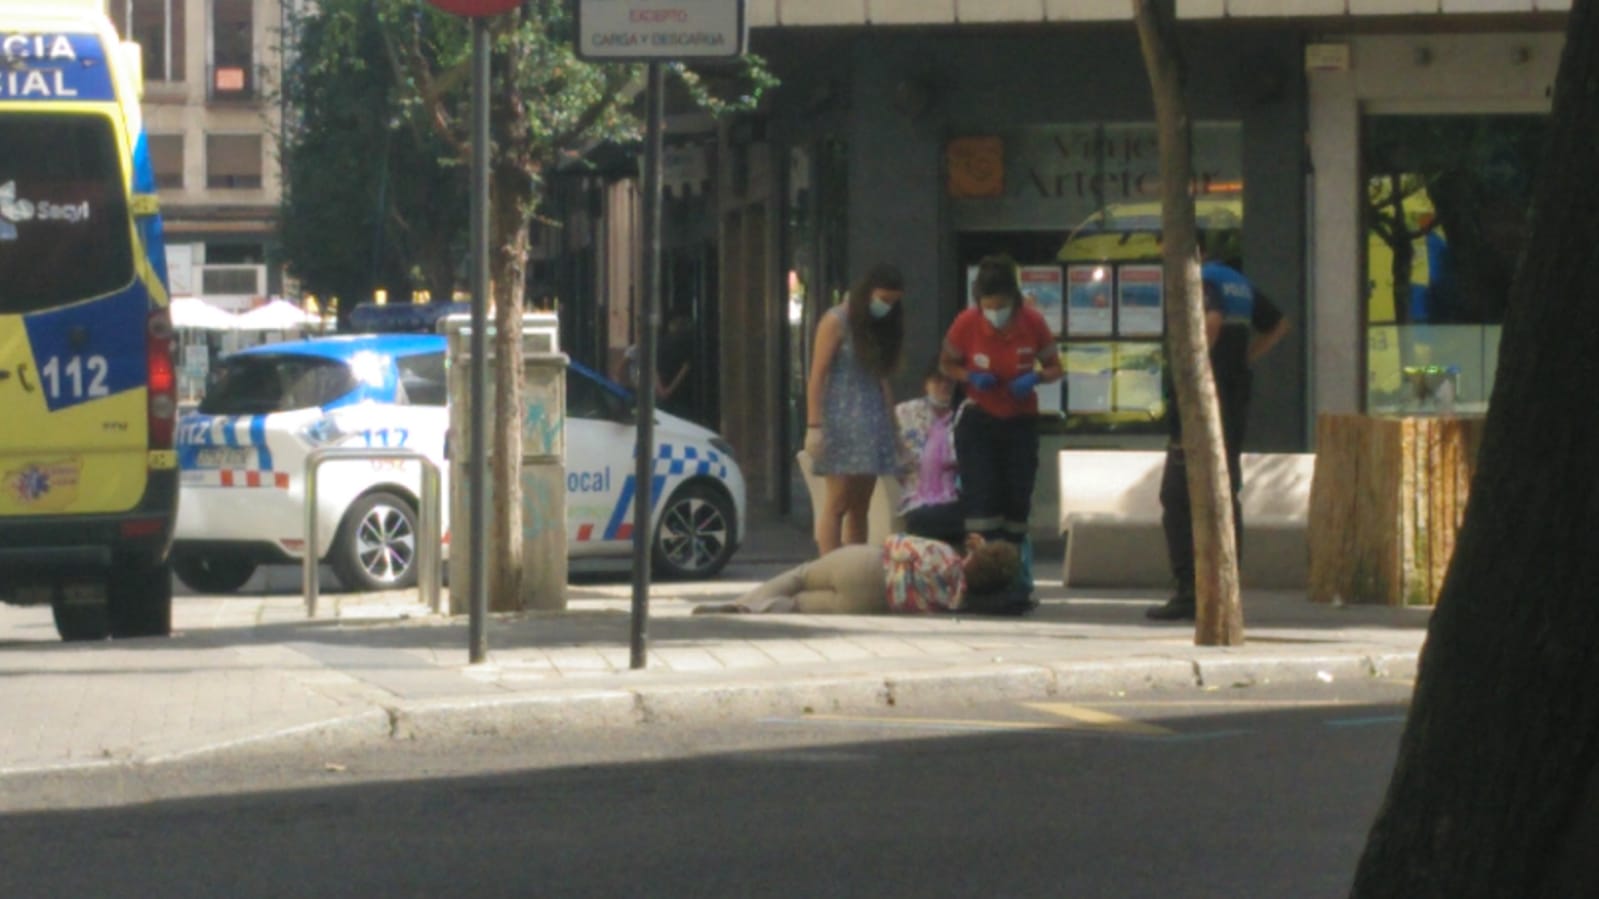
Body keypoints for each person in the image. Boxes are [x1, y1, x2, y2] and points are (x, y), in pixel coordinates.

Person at [1146, 248, 1290, 621]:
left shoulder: (1203, 279)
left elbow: (1210, 320)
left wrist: (1194, 366)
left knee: (1176, 495)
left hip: (1202, 399)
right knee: (1226, 489)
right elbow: (1279, 324)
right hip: (1235, 395)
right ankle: (1226, 585)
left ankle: (1188, 592)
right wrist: (1245, 358)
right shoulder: (1241, 284)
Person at [939, 255, 1063, 556]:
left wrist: (1034, 377)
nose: (995, 313)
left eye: (1001, 306)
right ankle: (981, 566)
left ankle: (1013, 567)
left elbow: (1055, 368)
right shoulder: (966, 323)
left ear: (1014, 300)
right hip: (979, 420)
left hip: (1020, 421)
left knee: (1016, 499)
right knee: (982, 497)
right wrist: (970, 376)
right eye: (988, 307)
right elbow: (946, 365)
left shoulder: (1032, 323)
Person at [804, 263, 906, 554]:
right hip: (839, 419)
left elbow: (882, 380)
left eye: (892, 302)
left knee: (861, 504)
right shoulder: (836, 320)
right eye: (883, 299)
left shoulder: (876, 328)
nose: (886, 307)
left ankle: (854, 569)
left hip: (871, 420)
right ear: (867, 293)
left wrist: (895, 432)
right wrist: (814, 426)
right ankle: (830, 568)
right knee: (838, 500)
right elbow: (818, 374)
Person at [693, 533, 1019, 615]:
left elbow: (896, 543)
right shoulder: (958, 600)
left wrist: (974, 550)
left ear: (977, 555)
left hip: (867, 565)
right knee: (799, 605)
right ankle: (759, 611)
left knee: (802, 576)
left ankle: (742, 604)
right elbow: (977, 572)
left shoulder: (943, 554)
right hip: (873, 603)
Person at [894, 359, 965, 548]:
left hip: (955, 493)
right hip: (915, 494)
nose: (944, 386)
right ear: (926, 384)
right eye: (938, 380)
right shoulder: (905, 412)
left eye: (949, 381)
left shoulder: (964, 414)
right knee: (925, 518)